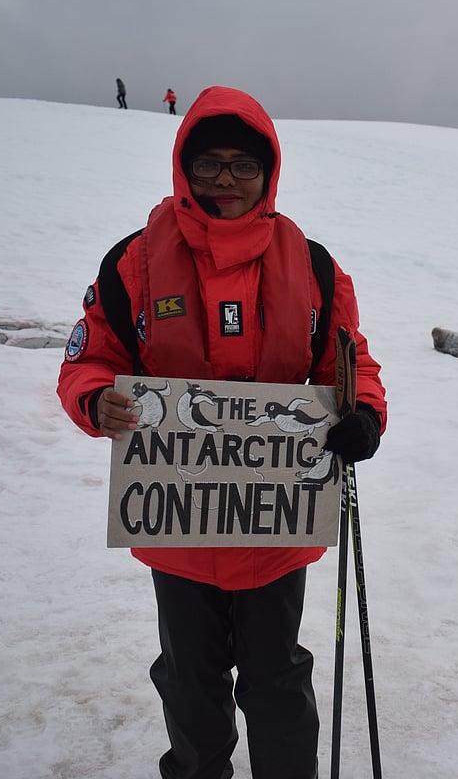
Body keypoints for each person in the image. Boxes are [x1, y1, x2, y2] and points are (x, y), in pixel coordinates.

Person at [57, 85, 387, 779]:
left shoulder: (313, 266)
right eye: (209, 164)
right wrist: (95, 400)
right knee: (190, 681)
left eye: (244, 165)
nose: (226, 179)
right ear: (185, 168)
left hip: (275, 526)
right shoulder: (134, 261)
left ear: (269, 172)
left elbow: (348, 361)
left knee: (276, 678)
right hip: (177, 525)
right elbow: (92, 358)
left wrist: (362, 413)